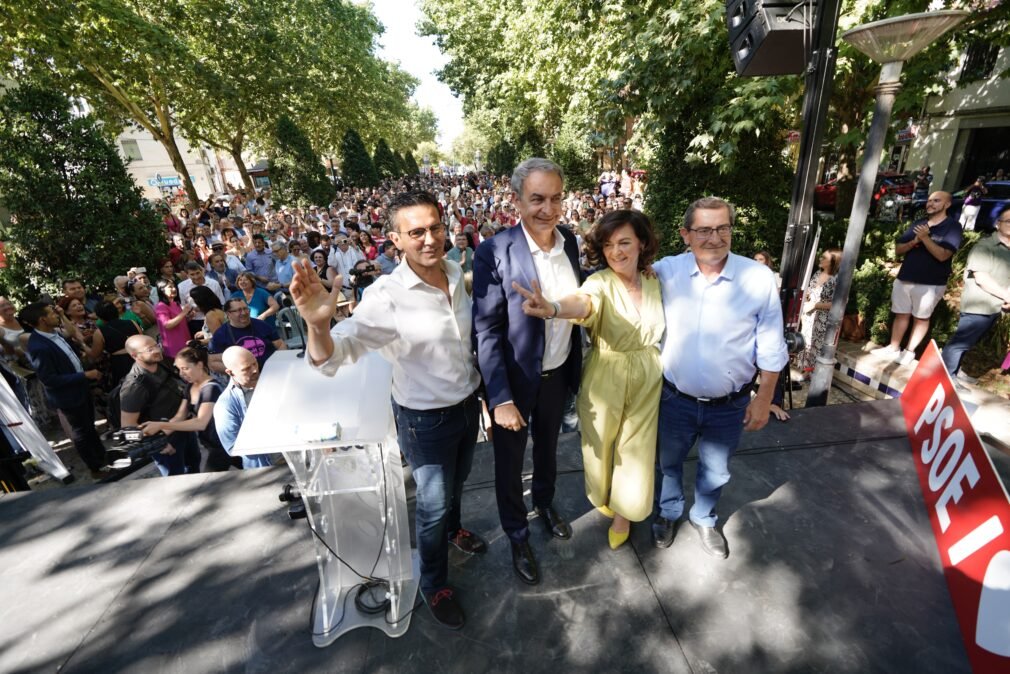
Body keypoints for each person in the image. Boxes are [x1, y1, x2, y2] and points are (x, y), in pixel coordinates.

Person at [292, 190, 485, 630]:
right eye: (415, 232)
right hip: (424, 421)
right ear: (395, 239)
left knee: (459, 484)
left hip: (466, 405)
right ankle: (434, 582)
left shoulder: (456, 273)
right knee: (431, 507)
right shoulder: (386, 295)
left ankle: (455, 531)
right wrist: (319, 324)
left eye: (435, 227)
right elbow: (332, 356)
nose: (429, 239)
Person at [512, 210, 663, 550]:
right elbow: (582, 304)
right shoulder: (599, 282)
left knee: (636, 449)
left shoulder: (655, 278)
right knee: (599, 449)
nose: (616, 252)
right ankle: (606, 495)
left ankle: (625, 513)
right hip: (605, 375)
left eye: (625, 242)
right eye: (608, 245)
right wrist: (552, 308)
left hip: (647, 374)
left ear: (642, 242)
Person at [651, 197, 788, 558]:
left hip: (729, 405)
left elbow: (772, 343)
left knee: (716, 470)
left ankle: (704, 517)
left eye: (722, 228)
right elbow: (622, 277)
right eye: (704, 230)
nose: (714, 237)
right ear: (685, 234)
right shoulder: (665, 271)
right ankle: (668, 513)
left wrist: (765, 398)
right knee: (668, 463)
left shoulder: (757, 278)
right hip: (673, 400)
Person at [473, 158, 582, 586]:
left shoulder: (569, 241)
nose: (548, 208)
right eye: (537, 198)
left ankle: (545, 503)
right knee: (509, 463)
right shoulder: (494, 250)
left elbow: (583, 288)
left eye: (555, 198)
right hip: (514, 386)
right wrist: (498, 398)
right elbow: (486, 329)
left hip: (558, 373)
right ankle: (517, 534)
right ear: (516, 200)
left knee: (550, 451)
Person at [874, 191, 962, 365]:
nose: (930, 204)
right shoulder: (918, 223)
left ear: (947, 205)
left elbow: (943, 255)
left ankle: (909, 352)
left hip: (930, 283)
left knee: (921, 318)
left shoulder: (952, 227)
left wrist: (925, 239)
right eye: (929, 200)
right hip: (905, 277)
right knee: (901, 314)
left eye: (936, 201)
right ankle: (893, 348)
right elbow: (899, 250)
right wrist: (914, 241)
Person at [21, 302, 108, 478]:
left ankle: (103, 458)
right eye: (51, 313)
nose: (56, 315)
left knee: (89, 428)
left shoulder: (54, 334)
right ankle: (96, 468)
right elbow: (49, 379)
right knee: (81, 432)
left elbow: (71, 339)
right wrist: (85, 375)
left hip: (80, 389)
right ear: (42, 319)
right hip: (68, 396)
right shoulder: (39, 346)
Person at [941, 207, 1010, 390]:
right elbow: (982, 278)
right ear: (998, 224)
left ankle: (955, 371)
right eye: (1008, 221)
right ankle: (946, 377)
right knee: (959, 343)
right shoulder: (985, 246)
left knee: (968, 342)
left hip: (995, 306)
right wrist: (1007, 295)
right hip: (979, 306)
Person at [140, 345, 238, 472]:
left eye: (185, 368)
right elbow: (179, 417)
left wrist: (159, 425)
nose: (182, 374)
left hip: (224, 443)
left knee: (209, 484)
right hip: (211, 443)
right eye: (179, 369)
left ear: (200, 365)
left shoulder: (211, 388)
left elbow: (200, 422)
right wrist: (157, 436)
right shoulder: (190, 387)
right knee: (250, 465)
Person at [120, 335, 201, 476]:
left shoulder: (162, 363)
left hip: (184, 426)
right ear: (134, 355)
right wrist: (156, 444)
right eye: (150, 349)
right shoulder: (134, 386)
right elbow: (128, 426)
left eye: (156, 345)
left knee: (194, 464)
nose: (157, 350)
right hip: (165, 439)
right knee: (175, 477)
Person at [796, 249, 842, 380]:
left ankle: (815, 374)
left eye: (824, 258)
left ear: (833, 262)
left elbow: (839, 304)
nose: (820, 259)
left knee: (818, 346)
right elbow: (810, 292)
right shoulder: (817, 274)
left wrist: (816, 305)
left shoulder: (836, 279)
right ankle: (806, 371)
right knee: (807, 343)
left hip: (824, 320)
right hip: (809, 316)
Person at [208, 298, 286, 372]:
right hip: (246, 378)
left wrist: (276, 363)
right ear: (228, 314)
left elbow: (280, 344)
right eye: (238, 310)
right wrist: (238, 371)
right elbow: (213, 362)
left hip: (271, 370)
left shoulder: (262, 325)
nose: (244, 313)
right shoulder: (220, 334)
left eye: (245, 309)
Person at [95, 300, 142, 388]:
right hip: (139, 357)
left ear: (99, 317)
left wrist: (82, 344)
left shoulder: (100, 332)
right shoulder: (132, 322)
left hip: (120, 363)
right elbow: (142, 338)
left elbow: (95, 354)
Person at [154, 278, 193, 359]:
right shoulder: (161, 306)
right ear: (161, 290)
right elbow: (167, 325)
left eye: (174, 286)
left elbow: (179, 321)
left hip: (185, 341)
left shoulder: (175, 303)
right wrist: (184, 313)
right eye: (170, 287)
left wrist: (189, 317)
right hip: (174, 346)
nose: (174, 289)